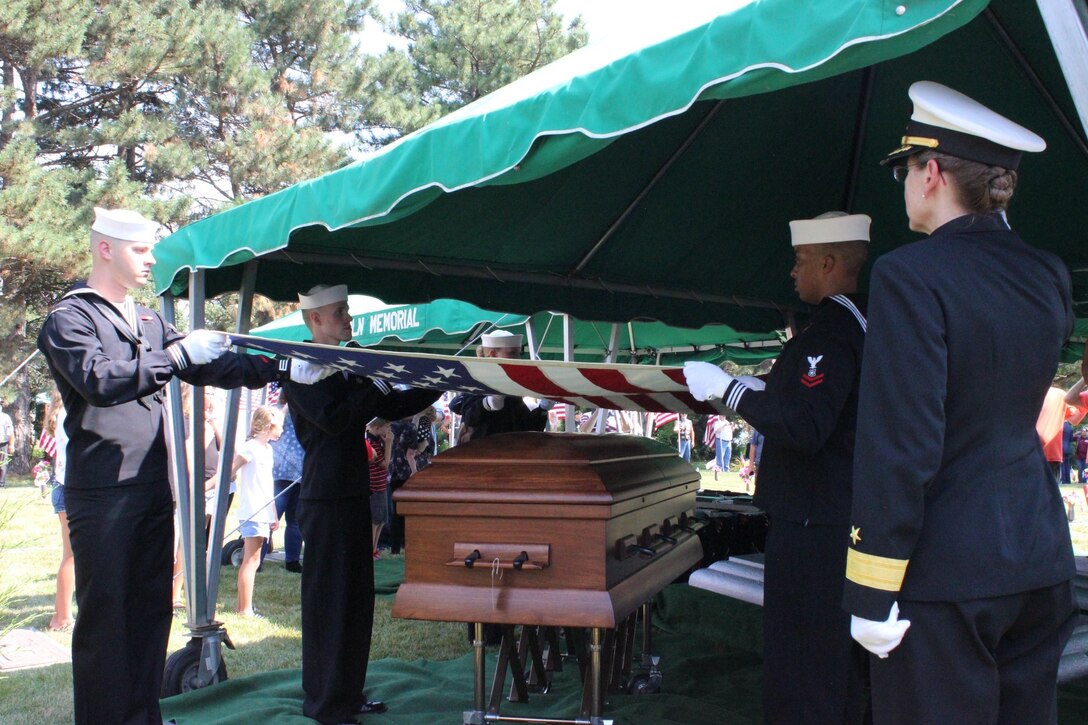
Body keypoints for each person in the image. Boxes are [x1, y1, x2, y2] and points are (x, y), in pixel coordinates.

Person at [842, 82, 1078, 724]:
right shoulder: (1048, 272)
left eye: (907, 168)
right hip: (1036, 554)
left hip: (946, 577)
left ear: (934, 174)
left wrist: (870, 588)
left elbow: (903, 443)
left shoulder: (908, 274)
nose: (905, 183)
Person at [35, 207, 324, 725]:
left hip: (150, 487)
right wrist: (177, 356)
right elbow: (102, 380)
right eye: (140, 251)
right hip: (103, 492)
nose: (151, 261)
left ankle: (141, 716)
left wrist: (285, 364)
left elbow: (216, 361)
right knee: (107, 623)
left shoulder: (146, 320)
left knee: (149, 616)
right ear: (105, 249)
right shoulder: (70, 317)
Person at [686, 210, 871, 724]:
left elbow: (807, 426)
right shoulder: (862, 323)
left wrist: (732, 389)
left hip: (815, 521)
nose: (792, 272)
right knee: (835, 662)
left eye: (801, 260)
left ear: (829, 261)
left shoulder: (828, 334)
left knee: (804, 660)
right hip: (840, 512)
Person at [283, 283, 440, 725]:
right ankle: (325, 702)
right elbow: (335, 419)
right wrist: (370, 380)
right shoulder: (304, 367)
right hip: (325, 495)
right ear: (314, 320)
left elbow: (395, 402)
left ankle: (347, 694)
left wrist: (441, 379)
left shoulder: (348, 367)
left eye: (347, 312)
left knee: (355, 602)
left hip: (351, 493)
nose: (348, 321)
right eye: (339, 313)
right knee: (329, 603)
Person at [448, 330, 553, 440]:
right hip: (480, 453)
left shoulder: (512, 386)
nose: (518, 358)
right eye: (512, 353)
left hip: (508, 452)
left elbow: (527, 427)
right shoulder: (477, 379)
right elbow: (469, 417)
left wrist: (543, 409)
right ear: (493, 354)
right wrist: (486, 404)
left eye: (519, 354)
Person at [231, 405, 282, 616]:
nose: (282, 430)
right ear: (269, 426)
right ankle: (244, 609)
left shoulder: (267, 449)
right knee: (251, 560)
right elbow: (230, 470)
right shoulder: (250, 447)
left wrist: (274, 513)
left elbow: (267, 485)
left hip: (263, 510)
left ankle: (243, 605)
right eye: (280, 426)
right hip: (252, 510)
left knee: (255, 559)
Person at [44, 390, 75, 632]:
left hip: (62, 485)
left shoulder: (61, 413)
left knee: (70, 555)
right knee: (71, 556)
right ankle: (62, 617)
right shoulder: (69, 413)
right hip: (68, 486)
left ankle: (61, 614)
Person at [271, 389, 305, 573]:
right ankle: (291, 560)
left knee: (282, 517)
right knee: (290, 518)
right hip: (291, 469)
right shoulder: (284, 412)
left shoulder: (276, 411)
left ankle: (291, 559)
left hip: (286, 469)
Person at [365, 418, 392, 559]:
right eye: (387, 426)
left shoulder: (377, 441)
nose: (388, 430)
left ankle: (375, 548)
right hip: (374, 486)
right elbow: (385, 464)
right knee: (375, 521)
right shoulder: (371, 443)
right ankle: (370, 550)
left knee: (382, 519)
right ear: (378, 427)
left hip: (382, 484)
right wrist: (389, 443)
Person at [0, 401, 12, 487]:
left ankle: (1, 483)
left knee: (2, 464)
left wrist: (11, 445)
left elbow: (10, 432)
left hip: (3, 444)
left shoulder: (5, 417)